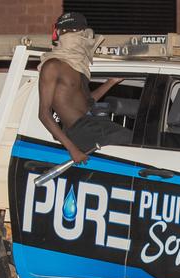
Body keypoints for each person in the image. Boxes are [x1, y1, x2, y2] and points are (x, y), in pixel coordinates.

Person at [38, 12, 132, 164]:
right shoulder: (52, 66)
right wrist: (72, 149)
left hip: (95, 122)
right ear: (58, 34)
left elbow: (87, 102)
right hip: (79, 128)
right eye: (66, 32)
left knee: (142, 141)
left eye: (76, 31)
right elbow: (43, 113)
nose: (72, 35)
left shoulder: (79, 66)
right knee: (132, 141)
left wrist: (111, 82)